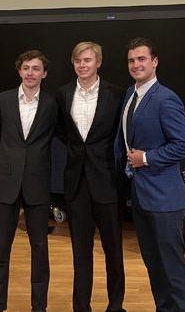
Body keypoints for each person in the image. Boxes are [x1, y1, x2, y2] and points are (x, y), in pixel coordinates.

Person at [113, 38, 185, 311]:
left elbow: (184, 145)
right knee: (154, 264)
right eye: (131, 60)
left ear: (154, 61)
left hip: (165, 200)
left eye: (141, 59)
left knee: (172, 268)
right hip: (141, 196)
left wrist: (146, 158)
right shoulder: (131, 94)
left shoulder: (166, 98)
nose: (136, 65)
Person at [55, 42, 126, 312]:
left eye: (87, 60)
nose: (82, 65)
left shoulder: (117, 94)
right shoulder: (62, 94)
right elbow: (63, 132)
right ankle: (80, 307)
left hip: (108, 182)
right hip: (76, 184)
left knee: (113, 251)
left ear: (99, 62)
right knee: (80, 253)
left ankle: (115, 306)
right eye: (77, 61)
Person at [0, 50, 58, 312]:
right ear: (19, 71)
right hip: (5, 185)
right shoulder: (1, 100)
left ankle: (39, 306)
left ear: (44, 73)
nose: (30, 73)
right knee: (0, 249)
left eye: (36, 68)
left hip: (37, 185)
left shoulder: (52, 104)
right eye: (26, 68)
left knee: (40, 248)